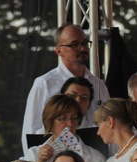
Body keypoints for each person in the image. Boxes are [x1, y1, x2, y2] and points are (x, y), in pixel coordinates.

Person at [22, 24, 110, 154]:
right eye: (74, 44)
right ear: (59, 51)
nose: (82, 48)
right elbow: (31, 131)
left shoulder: (99, 84)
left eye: (85, 43)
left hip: (94, 156)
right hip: (54, 161)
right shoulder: (45, 83)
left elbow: (109, 124)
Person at [24, 94, 104, 162]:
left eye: (74, 118)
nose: (70, 124)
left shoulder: (95, 158)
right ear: (49, 121)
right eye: (62, 118)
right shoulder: (33, 154)